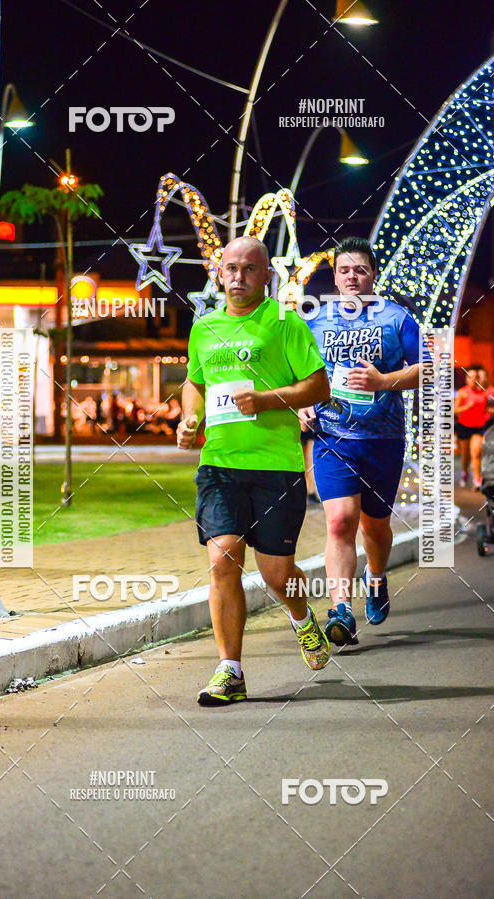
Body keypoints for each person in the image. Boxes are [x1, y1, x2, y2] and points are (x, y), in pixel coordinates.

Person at [177, 236, 332, 705]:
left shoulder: (285, 322)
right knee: (223, 558)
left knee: (277, 575)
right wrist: (189, 417)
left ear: (267, 275)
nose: (239, 277)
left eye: (250, 269)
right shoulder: (204, 327)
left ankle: (303, 619)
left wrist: (266, 400)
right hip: (220, 465)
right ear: (218, 274)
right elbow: (194, 382)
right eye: (231, 268)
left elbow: (319, 386)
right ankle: (231, 671)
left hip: (275, 467)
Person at [301, 236, 422, 647]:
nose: (352, 277)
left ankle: (375, 575)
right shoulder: (314, 320)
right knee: (339, 521)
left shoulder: (396, 318)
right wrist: (301, 403)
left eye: (361, 269)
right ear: (334, 277)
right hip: (333, 437)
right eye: (345, 270)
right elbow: (300, 372)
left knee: (376, 525)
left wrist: (385, 380)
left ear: (373, 274)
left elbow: (431, 366)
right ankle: (340, 610)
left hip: (383, 439)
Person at [454, 367, 489, 488]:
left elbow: (485, 410)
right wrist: (467, 407)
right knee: (466, 456)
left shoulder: (483, 393)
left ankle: (477, 479)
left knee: (476, 452)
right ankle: (465, 472)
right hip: (464, 426)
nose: (474, 379)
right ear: (467, 379)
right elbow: (455, 409)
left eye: (476, 377)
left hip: (478, 427)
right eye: (471, 377)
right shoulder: (462, 392)